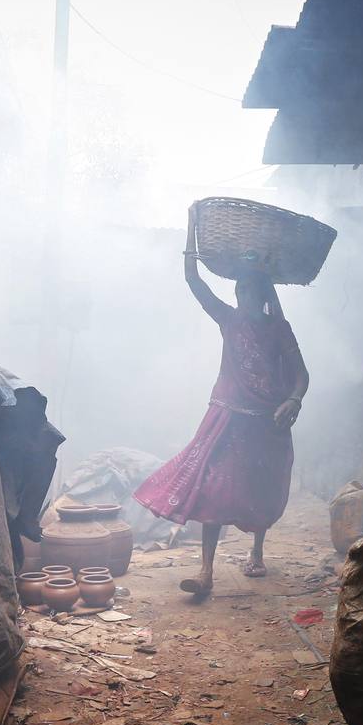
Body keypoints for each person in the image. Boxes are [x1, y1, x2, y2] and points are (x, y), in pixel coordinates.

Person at [134, 204, 310, 597]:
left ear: (263, 294)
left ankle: (257, 552)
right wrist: (191, 228)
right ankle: (206, 571)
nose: (242, 295)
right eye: (239, 290)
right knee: (212, 489)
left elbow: (302, 375)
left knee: (261, 487)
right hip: (227, 419)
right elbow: (193, 281)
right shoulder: (229, 320)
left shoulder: (280, 329)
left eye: (249, 290)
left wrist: (294, 400)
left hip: (267, 422)